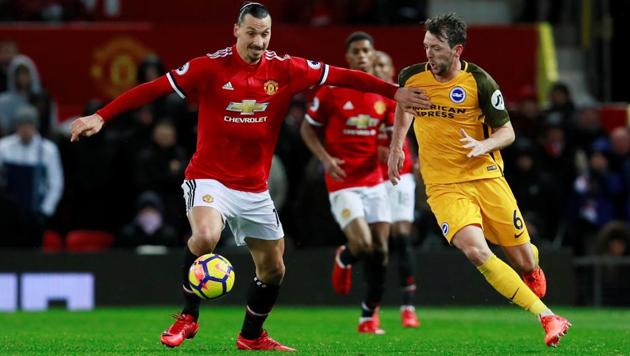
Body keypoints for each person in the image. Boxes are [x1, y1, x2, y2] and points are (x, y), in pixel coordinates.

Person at [69, 2, 429, 352]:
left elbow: (341, 75)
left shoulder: (286, 68)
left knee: (274, 268)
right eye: (252, 33)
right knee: (206, 235)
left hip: (255, 187)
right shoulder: (208, 67)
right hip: (209, 177)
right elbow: (155, 88)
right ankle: (187, 316)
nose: (259, 42)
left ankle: (252, 336)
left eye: (266, 34)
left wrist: (393, 91)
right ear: (237, 30)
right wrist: (102, 115)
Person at [388, 13, 571, 347]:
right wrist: (398, 146)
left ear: (457, 50)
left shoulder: (481, 82)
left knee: (525, 260)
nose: (429, 54)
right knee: (475, 251)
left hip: (485, 178)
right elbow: (404, 106)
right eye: (426, 46)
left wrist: (483, 145)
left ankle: (530, 269)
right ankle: (547, 316)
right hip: (443, 186)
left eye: (436, 48)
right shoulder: (411, 76)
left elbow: (508, 131)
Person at [301, 32, 395, 334]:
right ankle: (345, 256)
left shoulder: (385, 93)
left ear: (372, 53)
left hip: (374, 178)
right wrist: (325, 159)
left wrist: (391, 149)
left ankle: (368, 316)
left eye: (367, 50)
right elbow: (307, 128)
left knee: (381, 249)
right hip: (342, 180)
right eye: (356, 51)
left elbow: (393, 132)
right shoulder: (331, 90)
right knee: (363, 244)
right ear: (348, 57)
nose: (362, 56)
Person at [373, 49, 420, 328]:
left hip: (401, 177)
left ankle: (408, 307)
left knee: (401, 238)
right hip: (372, 180)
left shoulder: (402, 97)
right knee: (378, 245)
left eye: (383, 64)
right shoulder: (362, 96)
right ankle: (373, 306)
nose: (378, 68)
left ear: (392, 69)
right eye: (374, 64)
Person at [0, 105, 64, 247]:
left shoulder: (48, 150)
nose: (25, 130)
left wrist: (45, 211)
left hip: (34, 213)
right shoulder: (4, 147)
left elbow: (56, 183)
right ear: (16, 126)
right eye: (21, 125)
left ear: (35, 126)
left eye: (29, 125)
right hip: (8, 214)